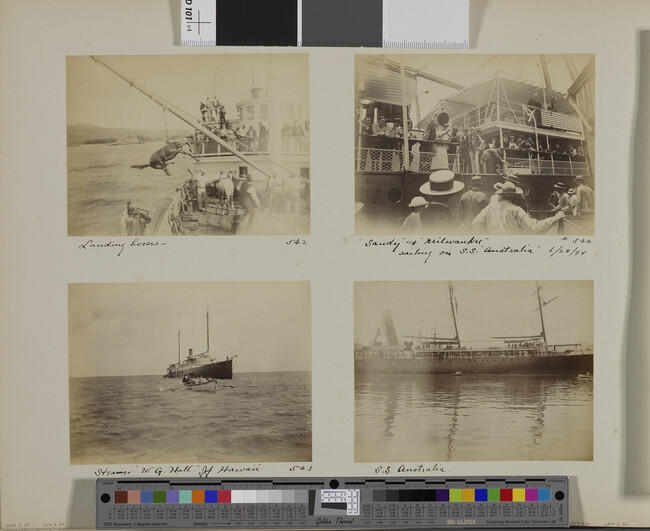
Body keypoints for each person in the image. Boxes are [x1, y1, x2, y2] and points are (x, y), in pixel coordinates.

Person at [472, 181, 565, 234]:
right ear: (514, 196)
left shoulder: (490, 207)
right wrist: (556, 217)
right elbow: (535, 227)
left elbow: (475, 223)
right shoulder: (516, 210)